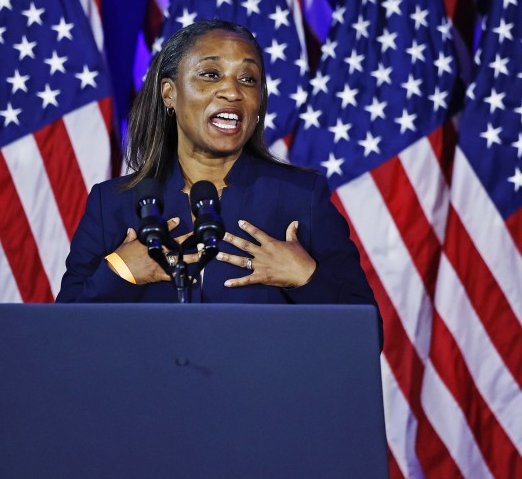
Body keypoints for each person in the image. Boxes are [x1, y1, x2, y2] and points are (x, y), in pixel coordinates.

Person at [56, 19, 377, 306]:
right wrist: (120, 274)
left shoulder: (300, 198)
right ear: (169, 93)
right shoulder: (113, 203)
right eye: (211, 74)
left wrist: (306, 277)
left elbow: (365, 335)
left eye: (248, 79)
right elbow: (62, 339)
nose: (232, 91)